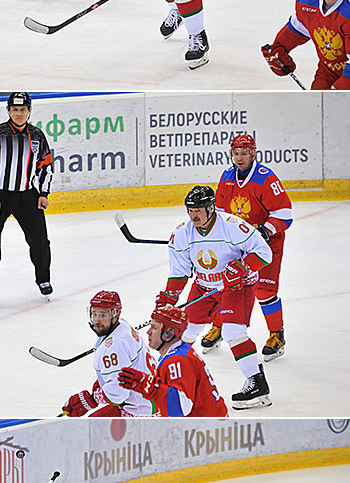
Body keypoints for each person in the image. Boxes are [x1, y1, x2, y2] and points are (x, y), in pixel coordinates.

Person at [155, 185, 273, 409]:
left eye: (198, 210)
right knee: (182, 331)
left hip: (237, 286)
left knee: (232, 331)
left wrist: (242, 267)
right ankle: (171, 377)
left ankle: (257, 383)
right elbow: (179, 273)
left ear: (211, 208)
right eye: (190, 210)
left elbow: (264, 252)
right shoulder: (181, 233)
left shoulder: (232, 226)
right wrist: (169, 299)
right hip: (204, 286)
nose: (193, 215)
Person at [206, 134, 293, 361]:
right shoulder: (227, 177)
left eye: (244, 152)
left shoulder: (266, 179)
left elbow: (284, 214)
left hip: (266, 245)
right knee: (227, 284)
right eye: (236, 152)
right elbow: (222, 212)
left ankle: (277, 336)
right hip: (239, 243)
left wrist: (264, 230)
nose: (240, 157)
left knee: (265, 291)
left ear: (253, 153)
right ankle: (220, 327)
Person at [0, 92, 53, 304]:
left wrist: (43, 193)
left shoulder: (37, 135)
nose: (19, 114)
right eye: (15, 110)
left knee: (39, 241)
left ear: (29, 111)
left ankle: (44, 280)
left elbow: (46, 165)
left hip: (28, 196)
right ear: (9, 110)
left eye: (23, 110)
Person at [262, 0, 350, 90]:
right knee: (316, 105)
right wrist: (278, 50)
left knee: (333, 107)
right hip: (328, 71)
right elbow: (295, 31)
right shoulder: (308, 0)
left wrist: (335, 95)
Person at [118, 304, 229, 416]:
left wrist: (147, 385)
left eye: (154, 328)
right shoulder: (180, 350)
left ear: (169, 334)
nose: (148, 332)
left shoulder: (176, 361)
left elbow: (180, 408)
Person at [61, 291, 158, 417]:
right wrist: (99, 386)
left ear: (115, 314)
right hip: (151, 399)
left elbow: (118, 393)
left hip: (142, 412)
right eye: (94, 314)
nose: (97, 320)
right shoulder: (122, 325)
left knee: (89, 429)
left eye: (103, 315)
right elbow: (121, 371)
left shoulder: (114, 346)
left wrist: (91, 400)